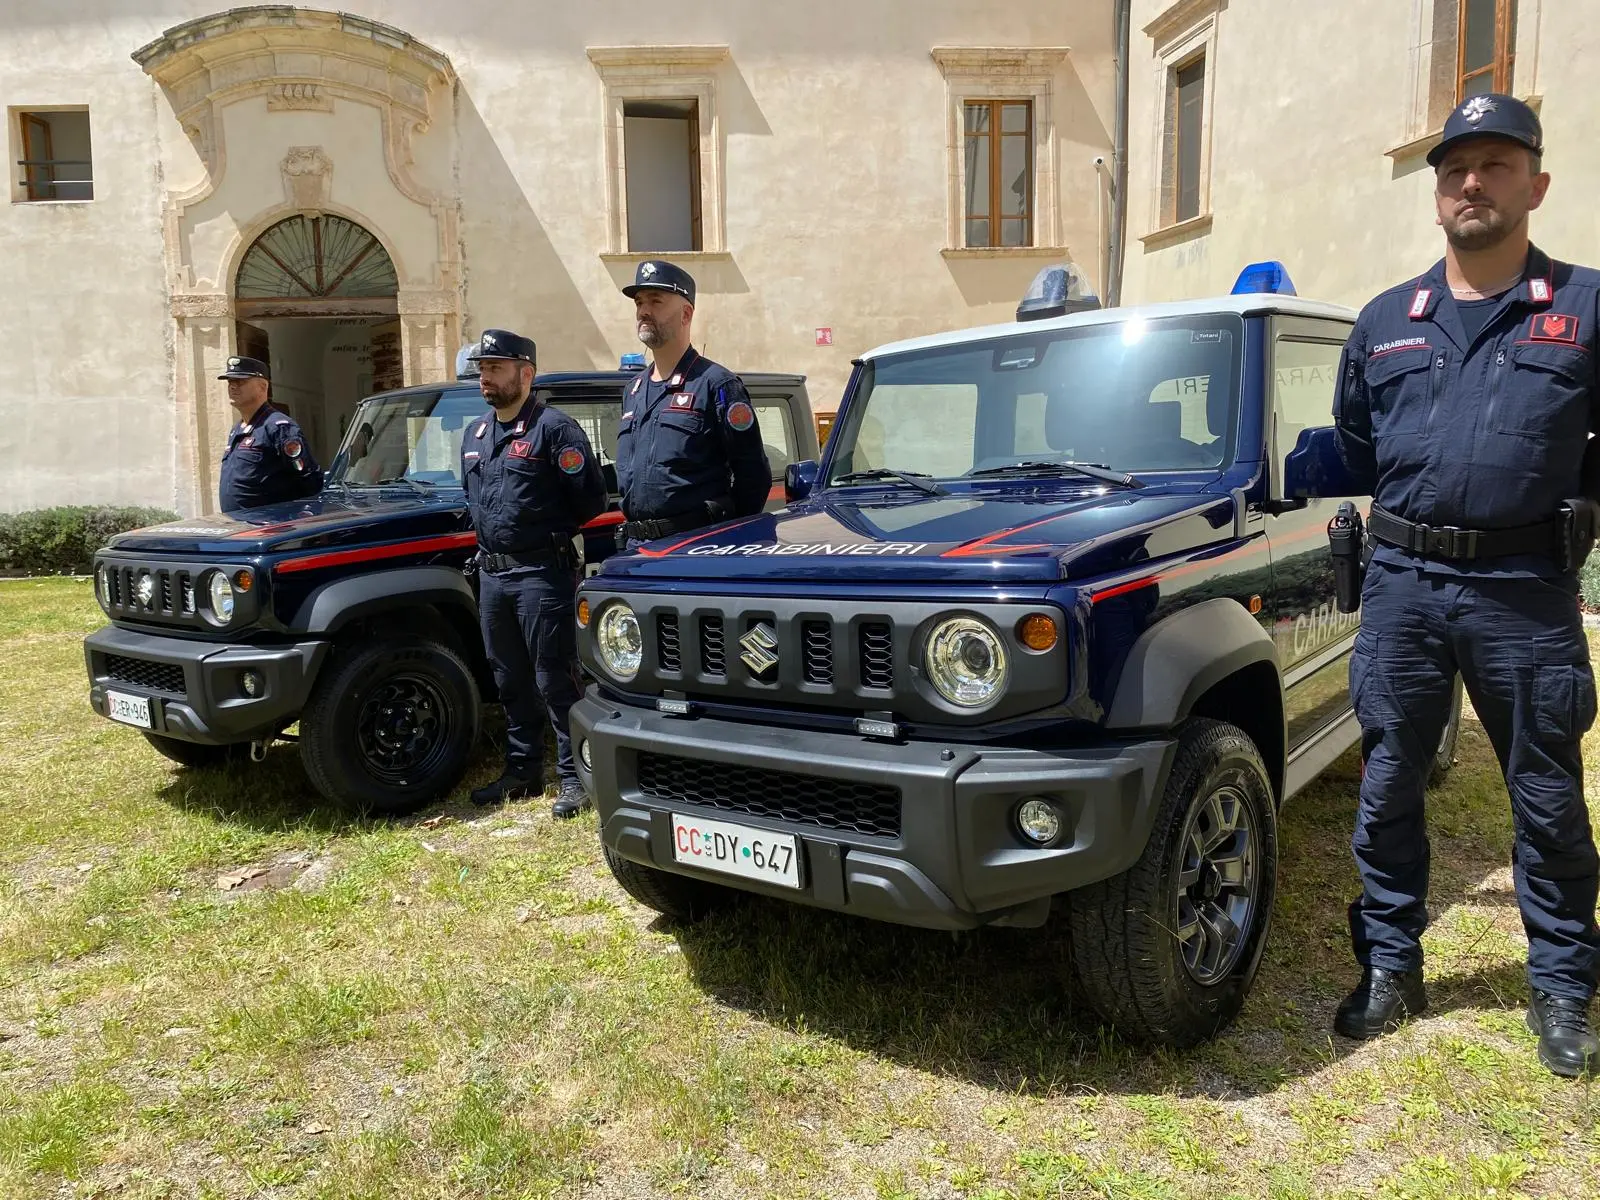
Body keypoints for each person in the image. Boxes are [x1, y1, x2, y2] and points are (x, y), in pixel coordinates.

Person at [1329, 93, 1600, 1077]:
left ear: (1535, 183)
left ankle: (1564, 987)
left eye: (1494, 164)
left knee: (1543, 792)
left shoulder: (1584, 306)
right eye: (1455, 170)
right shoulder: (1382, 322)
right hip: (1401, 580)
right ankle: (1390, 969)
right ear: (1435, 195)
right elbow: (1356, 439)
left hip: (1522, 586)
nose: (1472, 183)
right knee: (1391, 782)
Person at [458, 329, 608, 818]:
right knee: (509, 681)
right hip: (494, 579)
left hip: (542, 575)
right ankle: (522, 772)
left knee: (554, 680)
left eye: (496, 368)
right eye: (483, 368)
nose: (486, 377)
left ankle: (574, 777)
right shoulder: (476, 434)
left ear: (526, 373)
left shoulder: (554, 430)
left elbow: (589, 500)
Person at [613, 259, 770, 551]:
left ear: (686, 314)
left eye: (656, 301)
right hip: (636, 549)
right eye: (639, 302)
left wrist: (726, 543)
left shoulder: (716, 385)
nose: (644, 311)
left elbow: (753, 477)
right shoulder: (633, 390)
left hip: (694, 547)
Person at [217, 355, 322, 512]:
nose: (233, 386)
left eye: (241, 381)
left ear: (263, 386)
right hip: (238, 528)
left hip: (267, 528)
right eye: (230, 382)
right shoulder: (237, 429)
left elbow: (309, 481)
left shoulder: (278, 428)